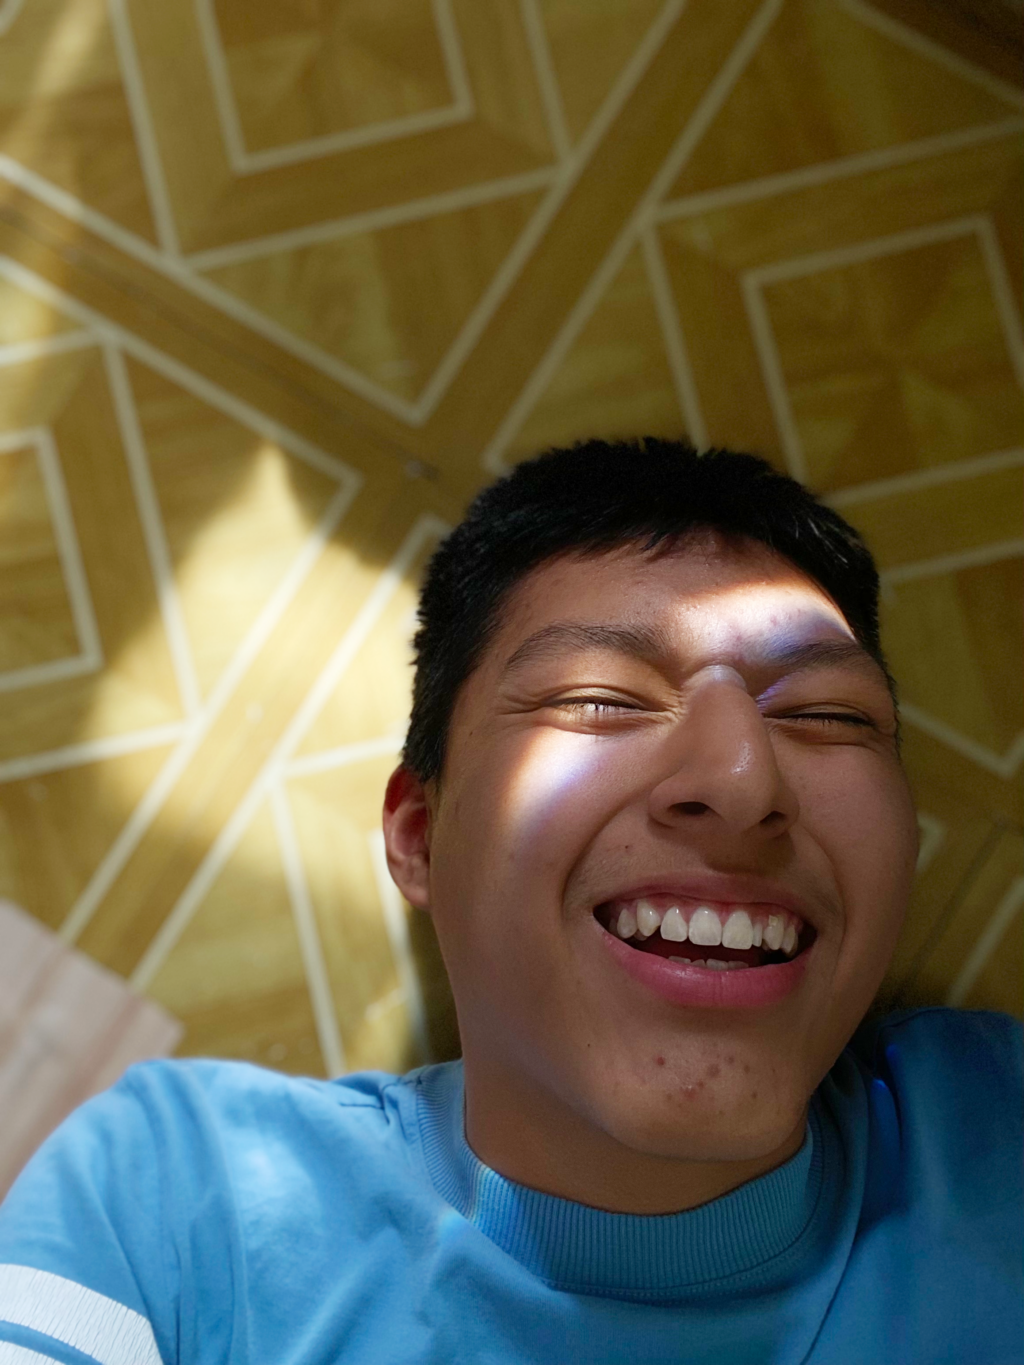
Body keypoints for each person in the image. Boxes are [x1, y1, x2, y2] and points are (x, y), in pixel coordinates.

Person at [0, 439, 1020, 1365]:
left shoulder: (995, 1131)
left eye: (828, 716)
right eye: (599, 697)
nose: (744, 780)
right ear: (419, 839)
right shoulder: (177, 1201)